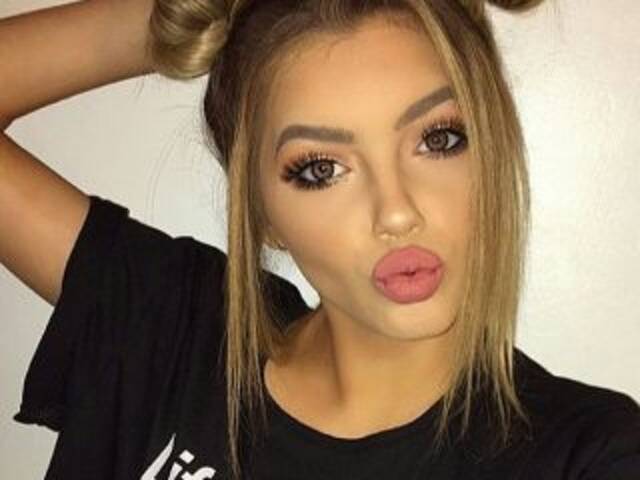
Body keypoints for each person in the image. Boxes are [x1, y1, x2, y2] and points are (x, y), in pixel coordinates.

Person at [1, 0, 638, 479]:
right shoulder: (176, 325)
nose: (397, 212)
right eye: (321, 169)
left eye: (438, 138)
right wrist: (189, 15)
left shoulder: (585, 455)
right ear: (261, 211)